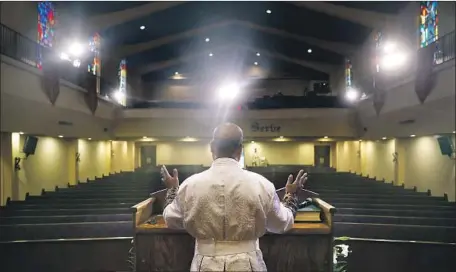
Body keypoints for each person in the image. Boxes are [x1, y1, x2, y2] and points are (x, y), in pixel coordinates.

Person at [161, 123, 307, 271]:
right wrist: (291, 195)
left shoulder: (190, 185)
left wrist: (172, 190)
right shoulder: (262, 184)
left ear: (212, 147)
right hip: (247, 264)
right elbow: (282, 223)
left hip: (205, 265)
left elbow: (171, 219)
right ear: (240, 149)